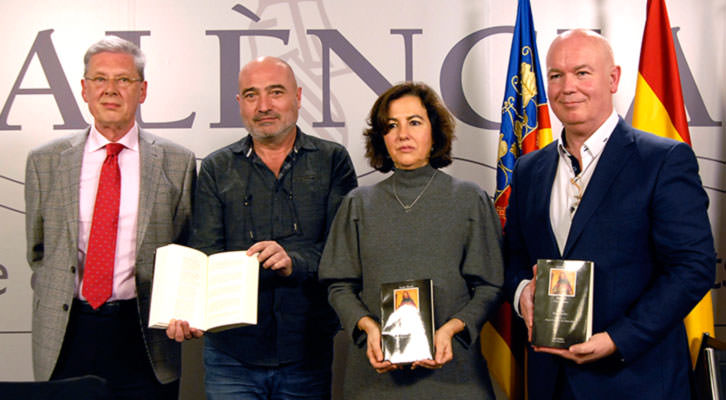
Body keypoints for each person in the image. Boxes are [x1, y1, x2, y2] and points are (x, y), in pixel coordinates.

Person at [504, 29, 715, 399]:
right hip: (549, 380)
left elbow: (692, 267)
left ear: (613, 78)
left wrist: (618, 339)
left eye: (582, 72)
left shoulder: (663, 160)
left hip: (637, 378)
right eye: (556, 75)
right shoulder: (528, 169)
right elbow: (514, 256)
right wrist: (523, 294)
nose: (568, 87)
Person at [166, 56, 357, 399]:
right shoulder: (215, 168)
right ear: (240, 103)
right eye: (252, 95)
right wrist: (187, 308)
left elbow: (343, 251)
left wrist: (292, 261)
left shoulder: (332, 160)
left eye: (276, 92)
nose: (264, 106)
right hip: (231, 354)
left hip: (306, 348)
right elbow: (205, 253)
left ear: (298, 97)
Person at [24, 36, 196, 399]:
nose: (110, 90)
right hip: (67, 333)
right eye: (99, 79)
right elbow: (38, 252)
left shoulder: (177, 162)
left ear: (143, 90)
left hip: (146, 336)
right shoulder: (45, 162)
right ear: (84, 90)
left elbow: (187, 248)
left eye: (123, 80)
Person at [318, 82, 503, 399]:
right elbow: (338, 285)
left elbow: (489, 285)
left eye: (414, 122)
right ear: (382, 138)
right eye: (391, 125)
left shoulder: (469, 199)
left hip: (455, 378)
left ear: (435, 132)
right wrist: (366, 326)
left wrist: (453, 327)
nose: (403, 134)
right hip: (373, 381)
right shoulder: (357, 204)